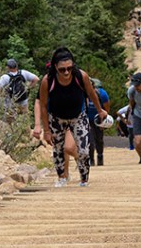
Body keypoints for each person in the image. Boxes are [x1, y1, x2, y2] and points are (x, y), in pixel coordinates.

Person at [38, 47, 108, 188]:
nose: (66, 72)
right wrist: (46, 130)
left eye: (69, 68)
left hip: (78, 116)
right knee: (58, 149)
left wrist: (100, 110)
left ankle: (84, 179)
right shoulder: (48, 80)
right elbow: (43, 105)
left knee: (83, 149)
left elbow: (91, 93)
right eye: (62, 69)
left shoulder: (81, 76)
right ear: (55, 67)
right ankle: (62, 177)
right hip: (56, 117)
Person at [86, 78, 111, 166]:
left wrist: (103, 121)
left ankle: (100, 156)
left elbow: (107, 107)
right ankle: (91, 159)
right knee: (90, 139)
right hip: (87, 119)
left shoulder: (102, 94)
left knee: (99, 139)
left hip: (99, 118)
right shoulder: (83, 94)